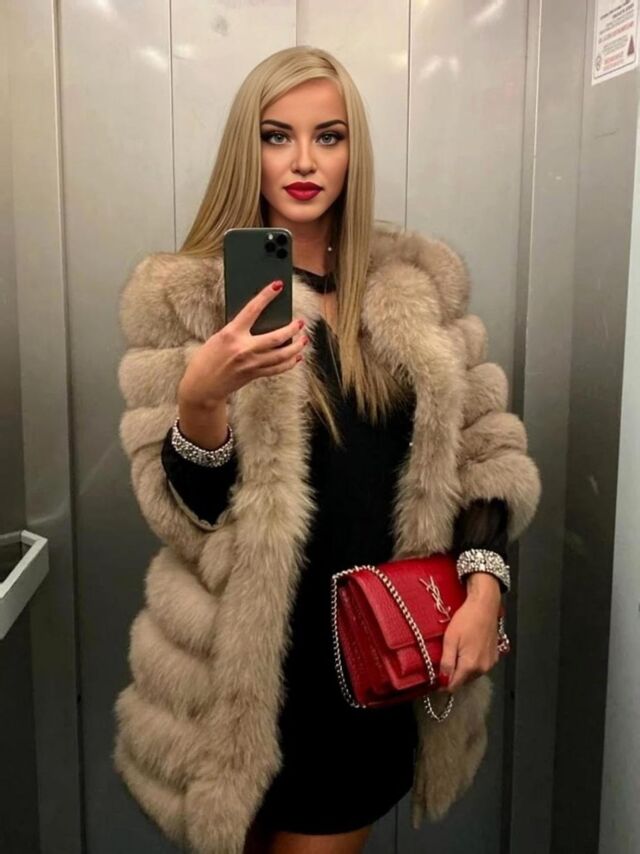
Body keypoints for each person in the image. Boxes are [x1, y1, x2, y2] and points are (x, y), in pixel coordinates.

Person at [113, 45, 541, 854]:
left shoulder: (420, 284)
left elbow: (484, 458)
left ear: (354, 149)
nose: (304, 161)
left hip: (367, 665)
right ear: (248, 147)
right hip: (231, 678)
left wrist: (484, 589)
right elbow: (186, 518)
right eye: (277, 136)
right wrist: (201, 400)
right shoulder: (187, 295)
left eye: (329, 136)